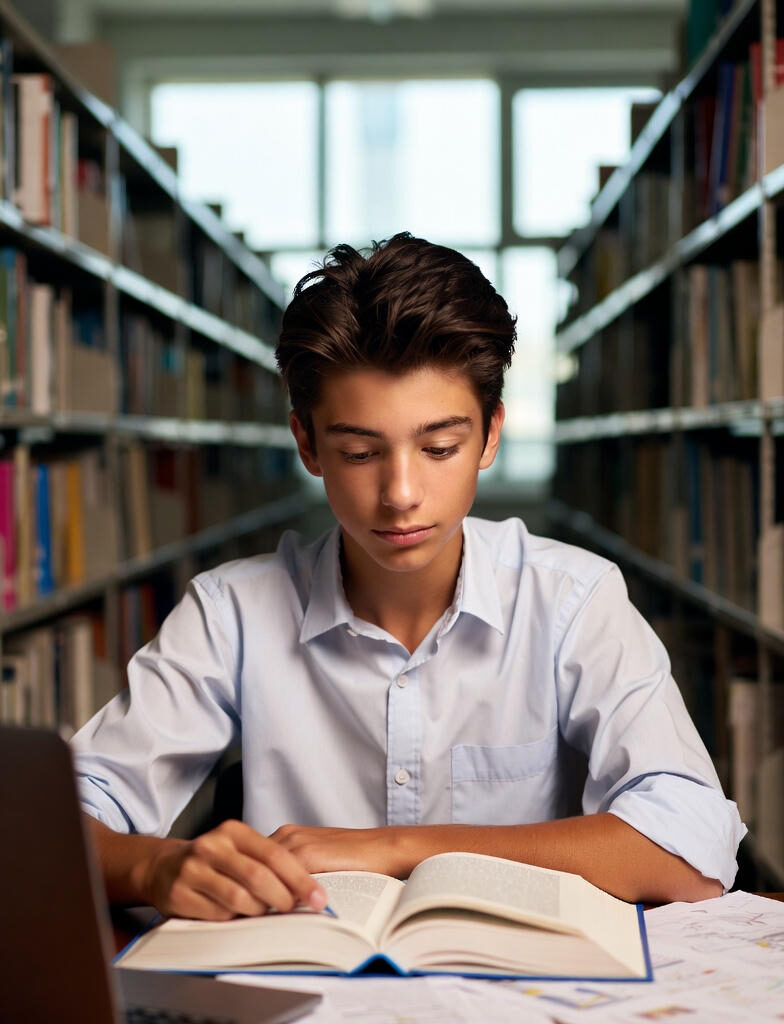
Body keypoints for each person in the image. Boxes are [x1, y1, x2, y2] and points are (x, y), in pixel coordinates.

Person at [72, 232, 745, 922]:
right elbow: (60, 821)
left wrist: (398, 848)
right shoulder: (230, 613)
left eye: (439, 447)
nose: (400, 493)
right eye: (361, 451)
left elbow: (691, 844)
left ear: (489, 436)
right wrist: (158, 864)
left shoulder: (572, 601)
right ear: (307, 443)